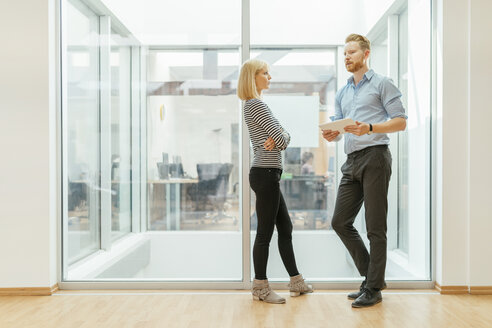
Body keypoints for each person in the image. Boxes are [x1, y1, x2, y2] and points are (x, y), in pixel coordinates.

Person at [322, 34, 407, 308]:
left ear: (366, 54)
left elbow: (400, 122)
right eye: (344, 53)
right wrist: (332, 134)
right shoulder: (342, 92)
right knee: (340, 221)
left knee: (375, 227)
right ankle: (373, 278)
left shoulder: (382, 83)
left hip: (375, 157)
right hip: (352, 161)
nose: (346, 57)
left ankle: (372, 288)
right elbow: (339, 126)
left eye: (351, 52)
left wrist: (370, 127)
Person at [238, 59, 313, 304]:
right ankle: (260, 287)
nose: (270, 77)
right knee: (264, 233)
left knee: (286, 228)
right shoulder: (256, 105)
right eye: (266, 73)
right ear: (253, 77)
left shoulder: (257, 105)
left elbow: (284, 136)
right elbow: (281, 140)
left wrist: (282, 136)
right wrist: (281, 137)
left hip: (268, 173)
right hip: (265, 173)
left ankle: (296, 281)